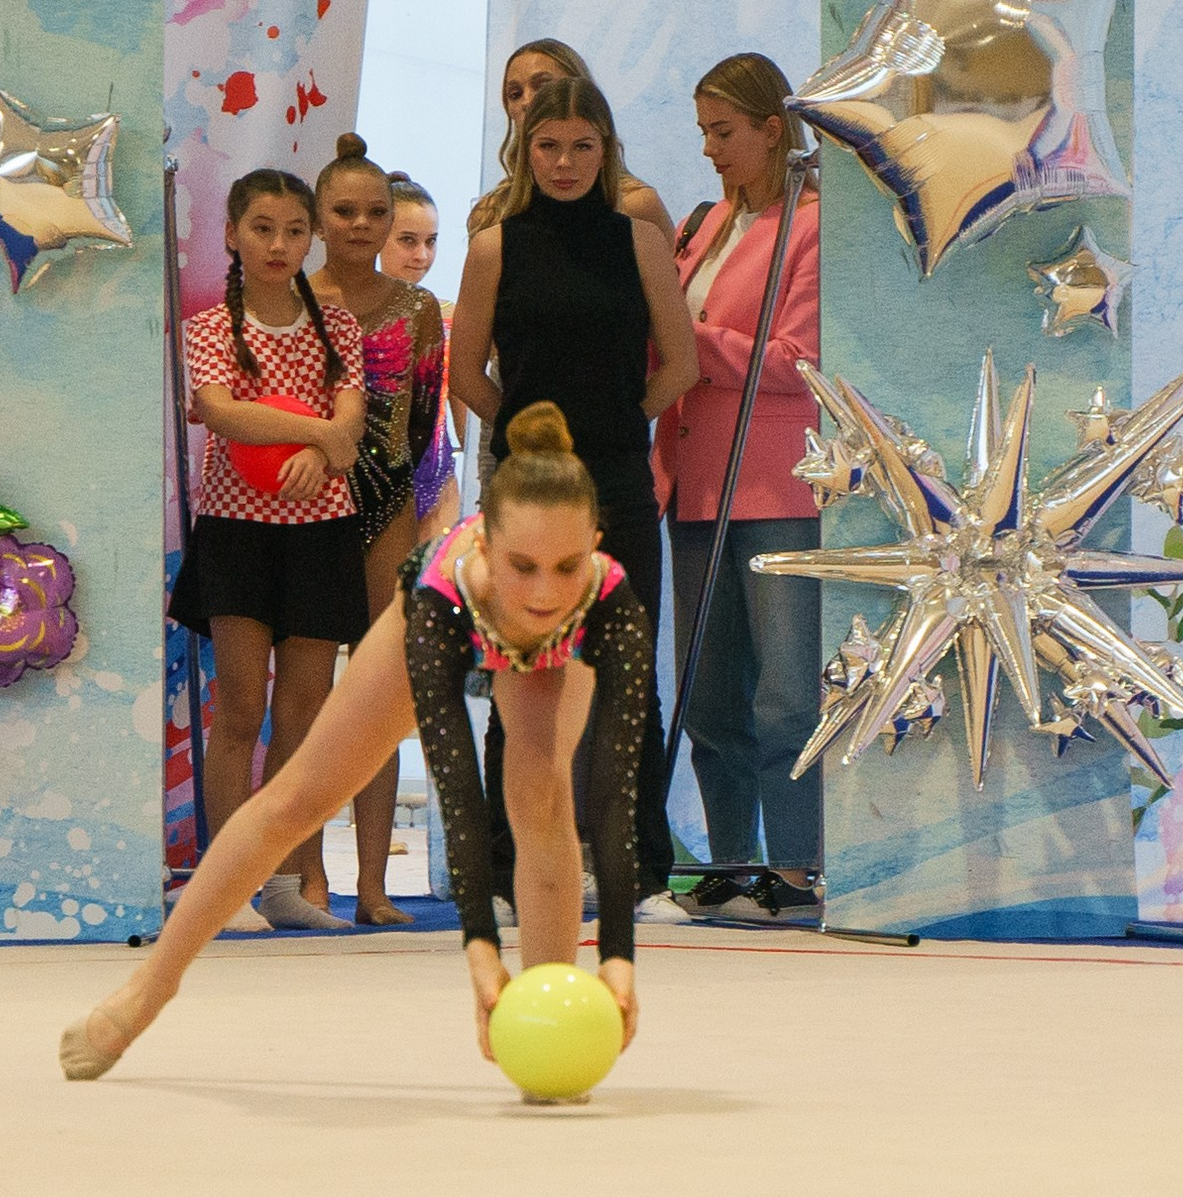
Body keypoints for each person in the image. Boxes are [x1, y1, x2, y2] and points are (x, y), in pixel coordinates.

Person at [64, 402, 652, 1082]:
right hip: (450, 616)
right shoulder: (441, 600)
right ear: (486, 548)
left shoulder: (609, 606)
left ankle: (547, 1018)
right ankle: (148, 990)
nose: (545, 593)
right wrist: (481, 954)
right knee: (296, 801)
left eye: (567, 566)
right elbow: (458, 789)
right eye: (523, 566)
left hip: (552, 658)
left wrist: (619, 958)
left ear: (596, 547)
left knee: (544, 799)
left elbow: (614, 803)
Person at [452, 77, 700, 928]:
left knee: (630, 676)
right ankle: (500, 874)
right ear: (525, 150)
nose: (564, 163)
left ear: (607, 150)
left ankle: (646, 874)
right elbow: (465, 372)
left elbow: (681, 363)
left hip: (620, 486)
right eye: (548, 146)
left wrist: (621, 426)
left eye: (581, 146)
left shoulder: (641, 240)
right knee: (518, 673)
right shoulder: (494, 246)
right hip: (527, 491)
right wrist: (530, 439)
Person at [168, 168, 368, 934]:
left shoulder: (337, 327)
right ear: (231, 234)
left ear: (310, 237)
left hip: (320, 533)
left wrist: (324, 452)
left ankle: (286, 881)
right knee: (242, 708)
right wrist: (320, 435)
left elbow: (351, 424)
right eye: (262, 228)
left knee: (304, 716)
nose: (278, 244)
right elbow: (224, 413)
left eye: (293, 230)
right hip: (239, 532)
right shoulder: (211, 327)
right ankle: (226, 885)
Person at [658, 54, 825, 923]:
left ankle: (797, 869)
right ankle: (730, 864)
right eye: (703, 134)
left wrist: (690, 340)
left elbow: (798, 364)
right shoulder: (704, 223)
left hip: (779, 490)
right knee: (710, 695)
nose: (710, 150)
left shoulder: (815, 225)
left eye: (724, 132)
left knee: (787, 695)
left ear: (771, 128)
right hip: (694, 485)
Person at [304, 136, 449, 927]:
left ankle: (371, 883)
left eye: (374, 213)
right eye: (345, 211)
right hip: (302, 504)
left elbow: (423, 423)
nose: (360, 225)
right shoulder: (293, 296)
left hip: (387, 504)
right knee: (303, 696)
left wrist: (408, 509)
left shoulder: (417, 309)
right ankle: (307, 877)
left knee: (378, 694)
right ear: (319, 217)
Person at [469, 39, 675, 243]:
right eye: (515, 94)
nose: (527, 101)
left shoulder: (636, 205)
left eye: (542, 87)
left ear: (580, 92)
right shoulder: (491, 213)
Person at [381, 172, 467, 541]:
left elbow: (463, 410)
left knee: (429, 576)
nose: (422, 255)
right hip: (363, 481)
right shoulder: (347, 315)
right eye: (408, 241)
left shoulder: (450, 316)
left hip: (436, 483)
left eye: (431, 242)